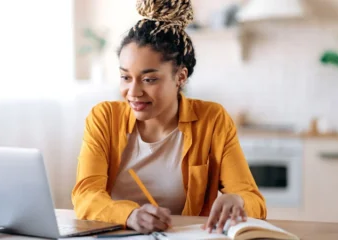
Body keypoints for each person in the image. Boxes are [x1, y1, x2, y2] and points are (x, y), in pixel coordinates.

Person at [71, 0, 266, 235]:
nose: (133, 92)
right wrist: (130, 215)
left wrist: (239, 201)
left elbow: (253, 200)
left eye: (149, 79)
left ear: (180, 77)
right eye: (125, 77)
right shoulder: (104, 118)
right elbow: (85, 195)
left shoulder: (212, 120)